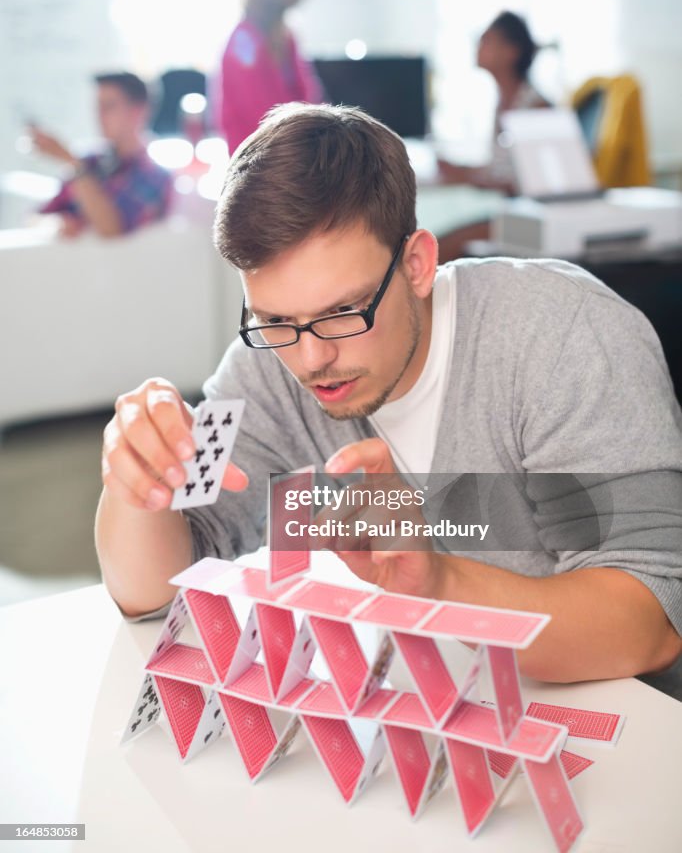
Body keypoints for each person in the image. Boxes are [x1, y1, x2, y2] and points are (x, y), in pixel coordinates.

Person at [95, 103, 682, 693]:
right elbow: (157, 592)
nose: (311, 359)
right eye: (275, 319)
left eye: (342, 313)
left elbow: (649, 625)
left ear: (418, 265)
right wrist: (137, 485)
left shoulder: (564, 335)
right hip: (439, 709)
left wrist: (439, 585)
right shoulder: (266, 365)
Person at [215, 0, 323, 153]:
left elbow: (311, 103)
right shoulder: (243, 43)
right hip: (261, 170)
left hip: (292, 162)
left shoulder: (287, 38)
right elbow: (263, 121)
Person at [33, 72, 172, 239]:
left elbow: (113, 229)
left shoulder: (154, 174)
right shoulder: (91, 161)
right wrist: (58, 223)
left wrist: (73, 164)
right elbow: (36, 216)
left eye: (108, 106)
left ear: (138, 111)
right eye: (97, 107)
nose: (99, 116)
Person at [438, 11, 550, 193]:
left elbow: (534, 184)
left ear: (511, 52)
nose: (479, 47)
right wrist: (462, 171)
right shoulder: (503, 103)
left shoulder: (537, 110)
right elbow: (502, 169)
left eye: (487, 41)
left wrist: (467, 178)